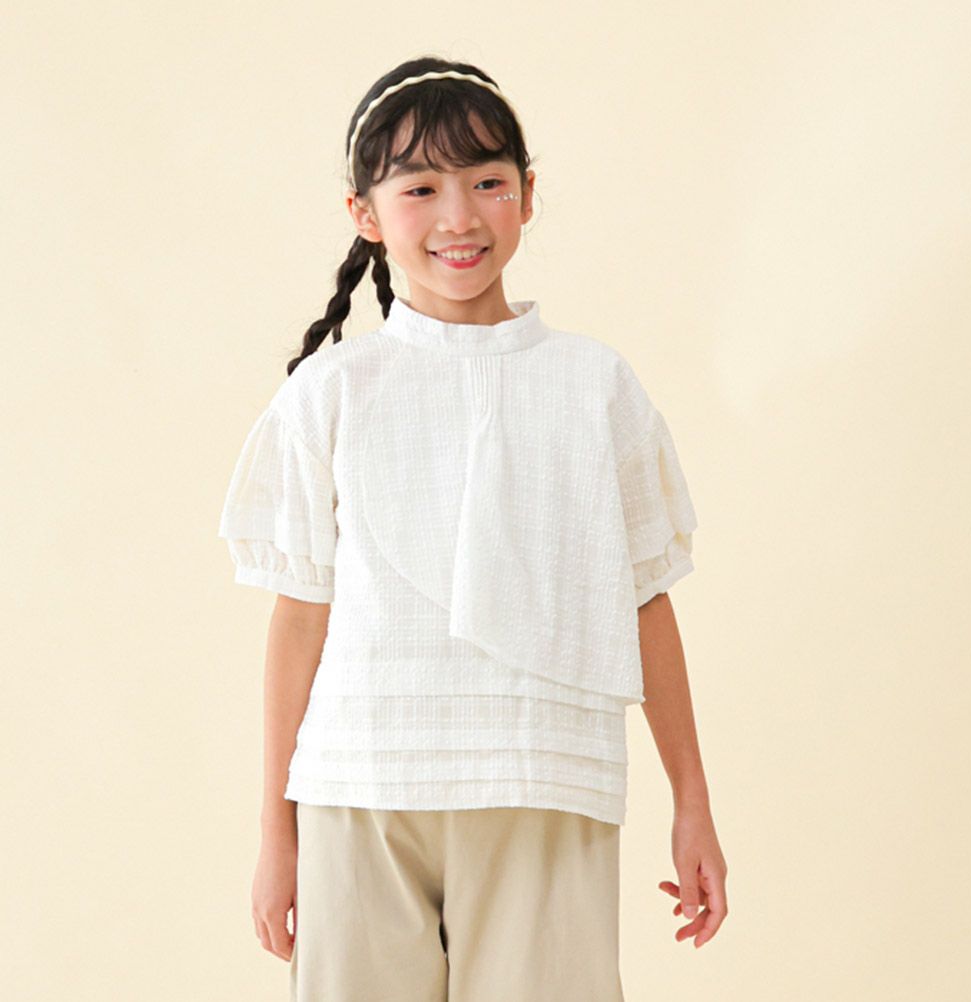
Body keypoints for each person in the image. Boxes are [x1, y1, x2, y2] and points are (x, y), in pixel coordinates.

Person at [217, 54, 728, 1002]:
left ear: (527, 194)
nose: (459, 217)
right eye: (420, 189)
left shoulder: (595, 386)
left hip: (546, 780)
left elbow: (645, 603)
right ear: (366, 214)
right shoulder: (332, 392)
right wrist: (274, 833)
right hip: (362, 788)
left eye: (487, 182)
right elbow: (301, 616)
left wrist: (691, 803)